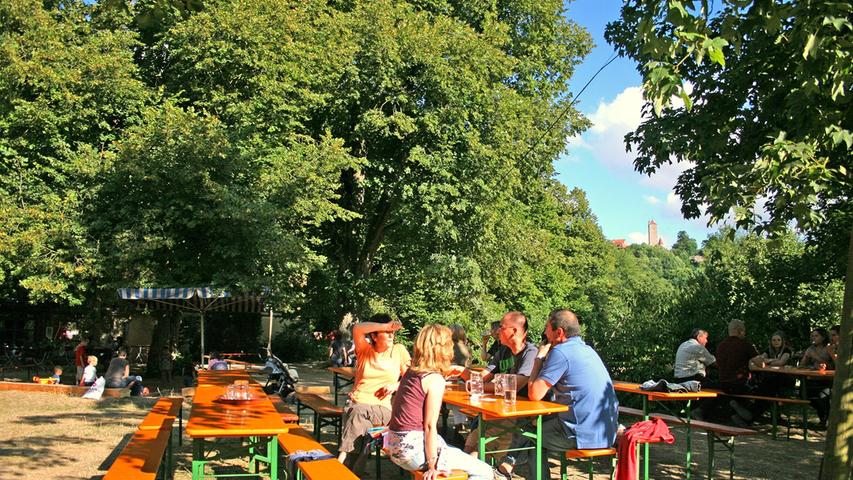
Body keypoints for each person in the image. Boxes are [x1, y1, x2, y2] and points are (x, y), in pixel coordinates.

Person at [497, 309, 619, 480]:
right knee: (531, 424)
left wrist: (539, 358)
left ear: (559, 332)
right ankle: (506, 466)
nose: (544, 332)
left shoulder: (561, 352)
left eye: (547, 328)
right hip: (607, 431)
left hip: (582, 433)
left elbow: (535, 394)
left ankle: (506, 466)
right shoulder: (588, 350)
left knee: (532, 436)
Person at [385, 324, 495, 480]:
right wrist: (432, 465)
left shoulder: (411, 372)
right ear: (444, 348)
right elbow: (430, 426)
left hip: (395, 445)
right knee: (484, 471)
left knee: (458, 454)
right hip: (413, 451)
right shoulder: (434, 379)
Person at [337, 314, 411, 472]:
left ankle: (340, 461)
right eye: (386, 331)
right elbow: (357, 328)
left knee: (358, 414)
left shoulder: (399, 351)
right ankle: (352, 473)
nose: (391, 334)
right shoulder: (365, 350)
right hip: (357, 403)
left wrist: (396, 385)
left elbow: (410, 380)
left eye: (393, 332)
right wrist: (386, 325)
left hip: (382, 409)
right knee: (363, 428)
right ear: (374, 335)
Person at [461, 312, 538, 456]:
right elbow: (483, 376)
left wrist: (477, 385)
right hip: (500, 408)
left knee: (481, 437)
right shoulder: (503, 351)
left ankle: (475, 467)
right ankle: (466, 466)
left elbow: (515, 384)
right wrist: (462, 372)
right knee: (475, 432)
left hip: (521, 413)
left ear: (514, 331)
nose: (497, 331)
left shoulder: (530, 352)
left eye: (501, 327)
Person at [709, 319, 762, 426]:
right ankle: (749, 416)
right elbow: (761, 365)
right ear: (741, 331)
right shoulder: (745, 345)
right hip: (740, 385)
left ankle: (736, 411)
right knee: (764, 391)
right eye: (744, 331)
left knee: (740, 392)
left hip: (723, 384)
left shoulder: (721, 346)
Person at [800, 327, 834, 428]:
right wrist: (806, 357)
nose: (813, 338)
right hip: (812, 378)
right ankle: (824, 415)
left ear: (823, 337)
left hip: (825, 380)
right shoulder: (811, 348)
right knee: (803, 395)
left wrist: (816, 357)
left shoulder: (829, 348)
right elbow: (801, 365)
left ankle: (824, 420)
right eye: (812, 336)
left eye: (816, 335)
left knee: (822, 397)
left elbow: (832, 366)